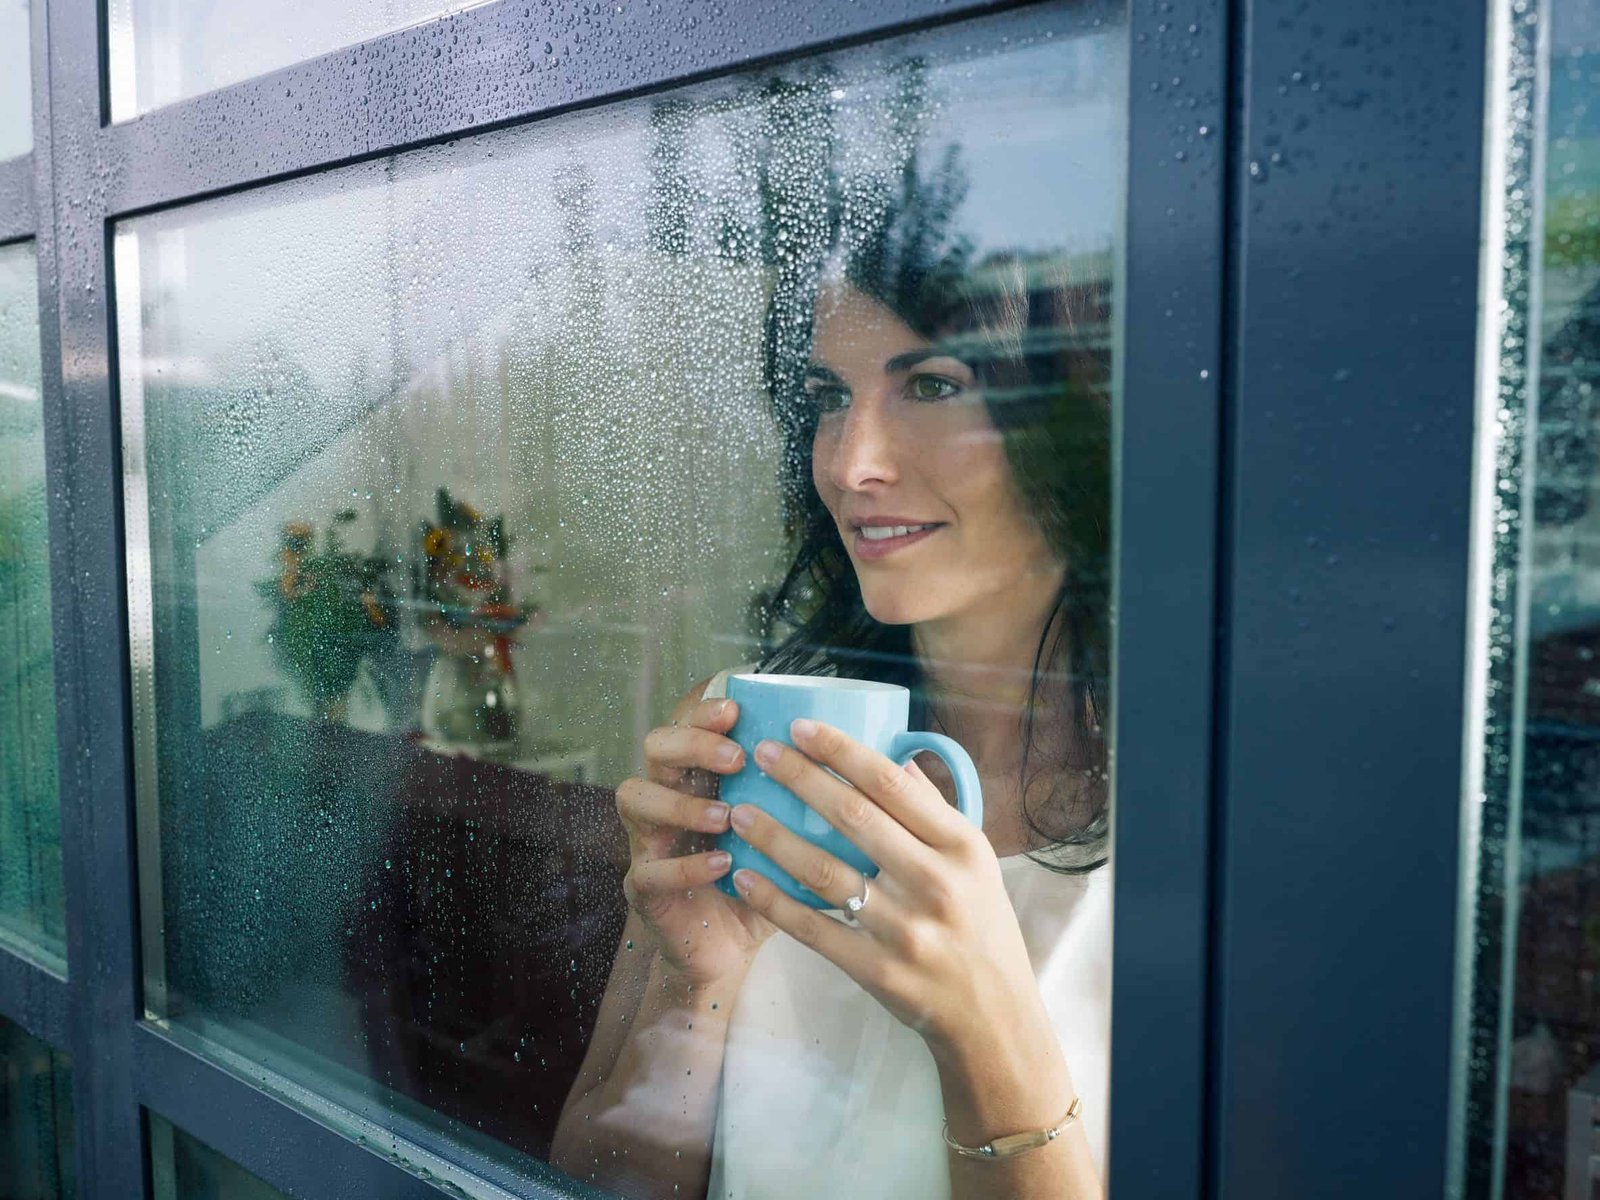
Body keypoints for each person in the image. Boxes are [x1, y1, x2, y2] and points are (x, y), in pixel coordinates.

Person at [551, 165, 1112, 1199]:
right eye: (827, 399)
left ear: (1072, 427)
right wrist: (690, 980)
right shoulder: (755, 744)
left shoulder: (1200, 842)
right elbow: (601, 1181)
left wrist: (982, 1032)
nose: (852, 463)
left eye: (933, 385)